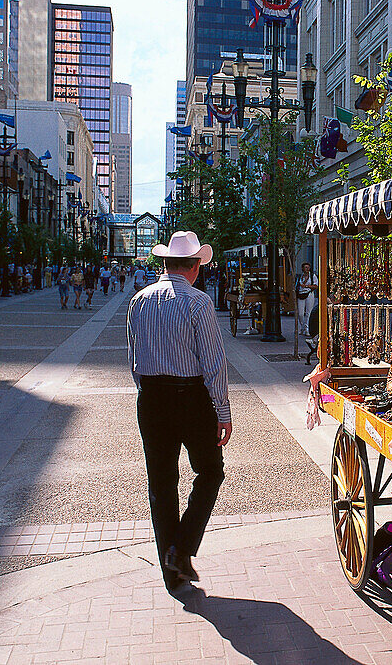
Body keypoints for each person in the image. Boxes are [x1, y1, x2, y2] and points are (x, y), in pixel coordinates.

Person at [127, 230, 231, 593]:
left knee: (161, 483)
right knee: (210, 472)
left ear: (166, 263)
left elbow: (133, 359)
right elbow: (214, 364)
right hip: (190, 396)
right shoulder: (199, 303)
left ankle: (172, 572)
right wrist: (223, 411)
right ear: (195, 267)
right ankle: (182, 548)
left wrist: (149, 393)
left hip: (152, 398)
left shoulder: (139, 300)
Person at [295, 262, 318, 336]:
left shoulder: (312, 276)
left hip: (309, 294)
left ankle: (307, 328)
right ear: (302, 268)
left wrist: (307, 286)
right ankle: (302, 327)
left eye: (308, 267)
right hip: (301, 294)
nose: (307, 269)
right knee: (300, 313)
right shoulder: (300, 276)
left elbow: (316, 286)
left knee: (309, 312)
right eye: (305, 267)